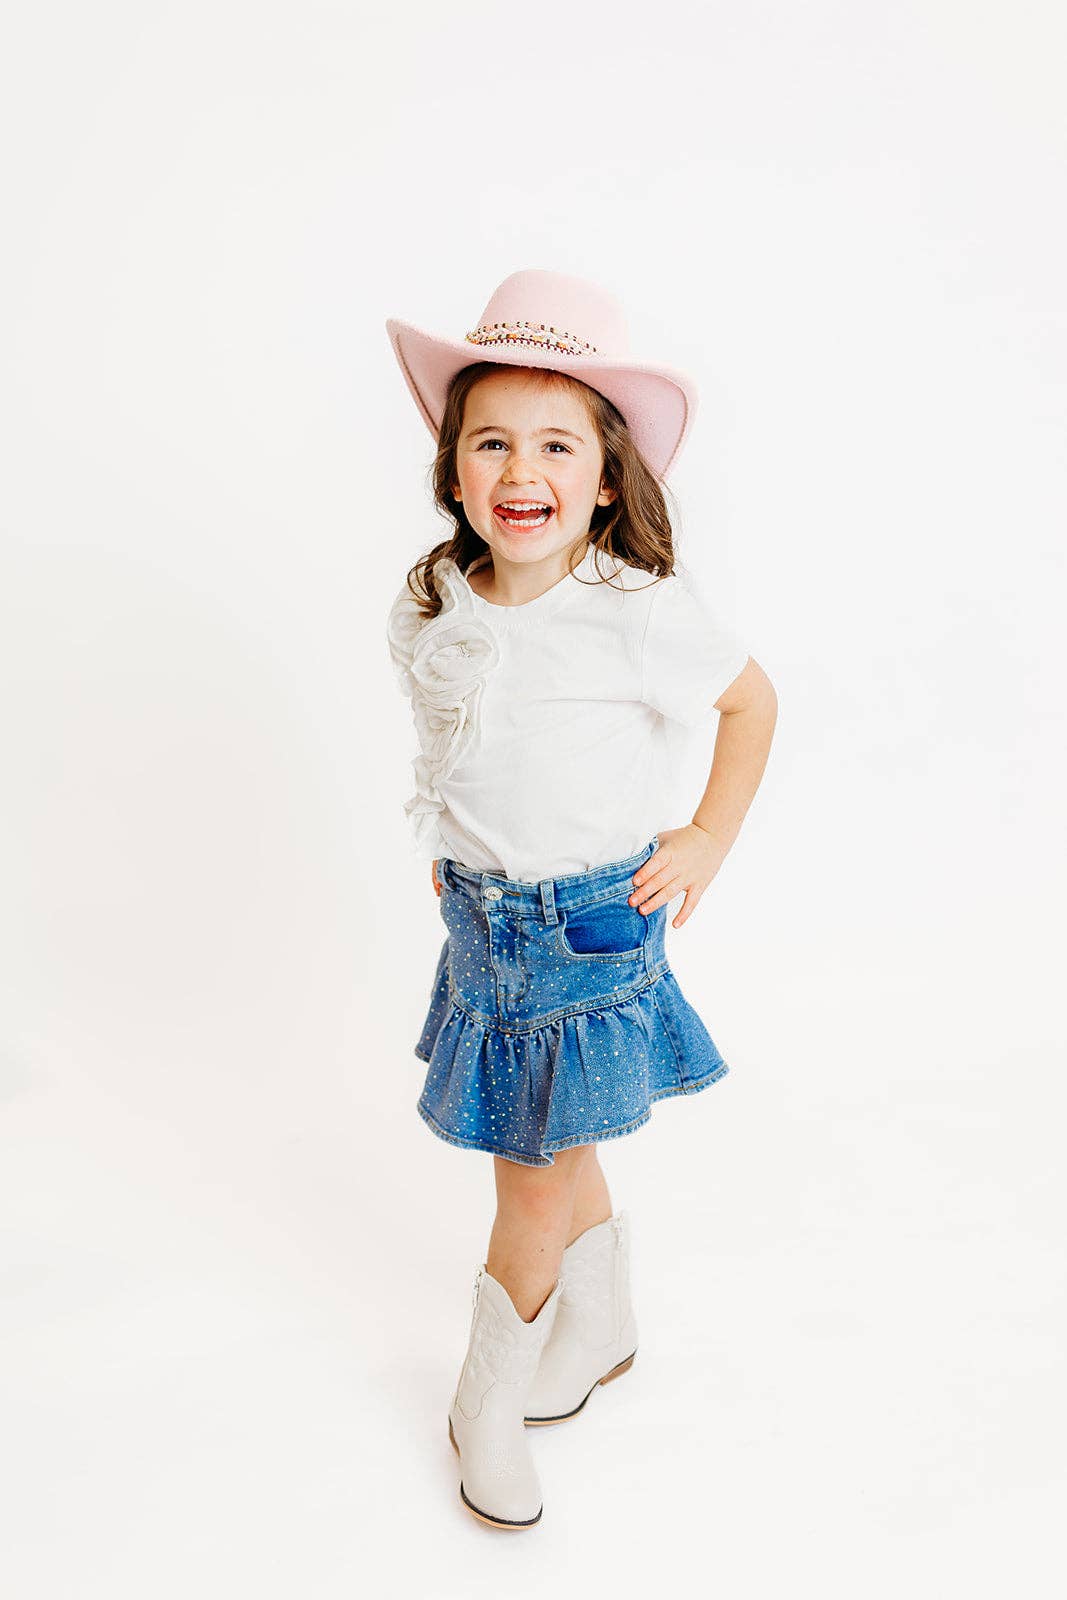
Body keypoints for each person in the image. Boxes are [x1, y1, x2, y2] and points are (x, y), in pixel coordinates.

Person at [384, 269, 778, 1530]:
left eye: (556, 443)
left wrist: (708, 834)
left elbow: (749, 702)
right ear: (454, 470)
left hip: (594, 923)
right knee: (567, 1128)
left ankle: (482, 1399)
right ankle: (598, 1321)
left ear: (604, 479)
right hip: (482, 926)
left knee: (533, 1174)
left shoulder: (633, 607)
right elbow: (458, 731)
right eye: (491, 438)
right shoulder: (428, 602)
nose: (521, 466)